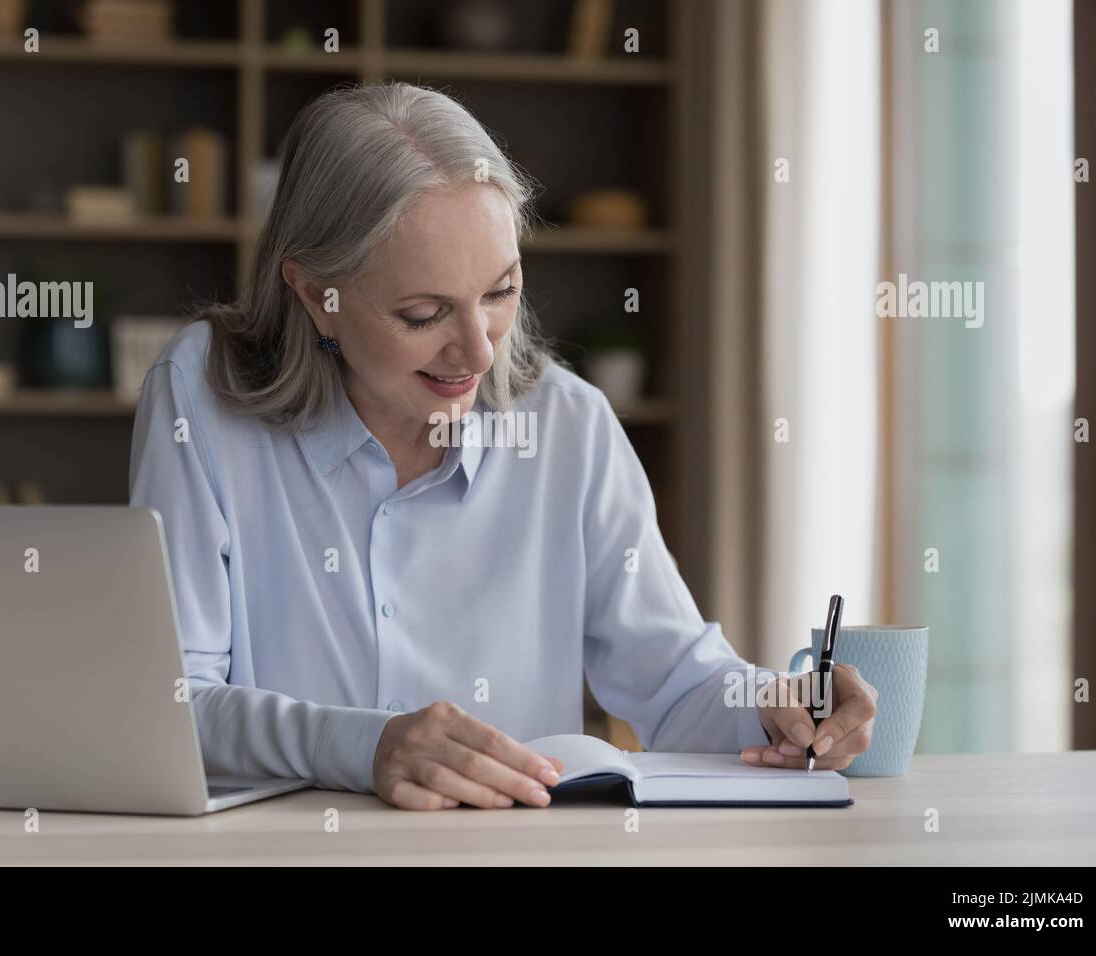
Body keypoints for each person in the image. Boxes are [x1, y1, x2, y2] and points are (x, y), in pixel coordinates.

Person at [129, 81, 877, 811]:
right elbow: (170, 704)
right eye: (424, 314)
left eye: (500, 293)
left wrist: (778, 706)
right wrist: (366, 746)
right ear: (312, 292)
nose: (480, 355)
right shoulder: (203, 395)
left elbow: (675, 684)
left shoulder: (567, 426)